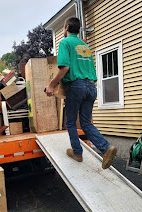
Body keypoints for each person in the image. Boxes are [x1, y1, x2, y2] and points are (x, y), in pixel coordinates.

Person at [45, 17, 117, 169]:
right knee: (85, 122)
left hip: (76, 86)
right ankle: (106, 148)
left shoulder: (65, 42)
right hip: (91, 87)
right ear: (78, 29)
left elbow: (64, 68)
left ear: (66, 28)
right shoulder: (85, 46)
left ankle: (77, 153)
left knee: (70, 122)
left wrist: (51, 85)